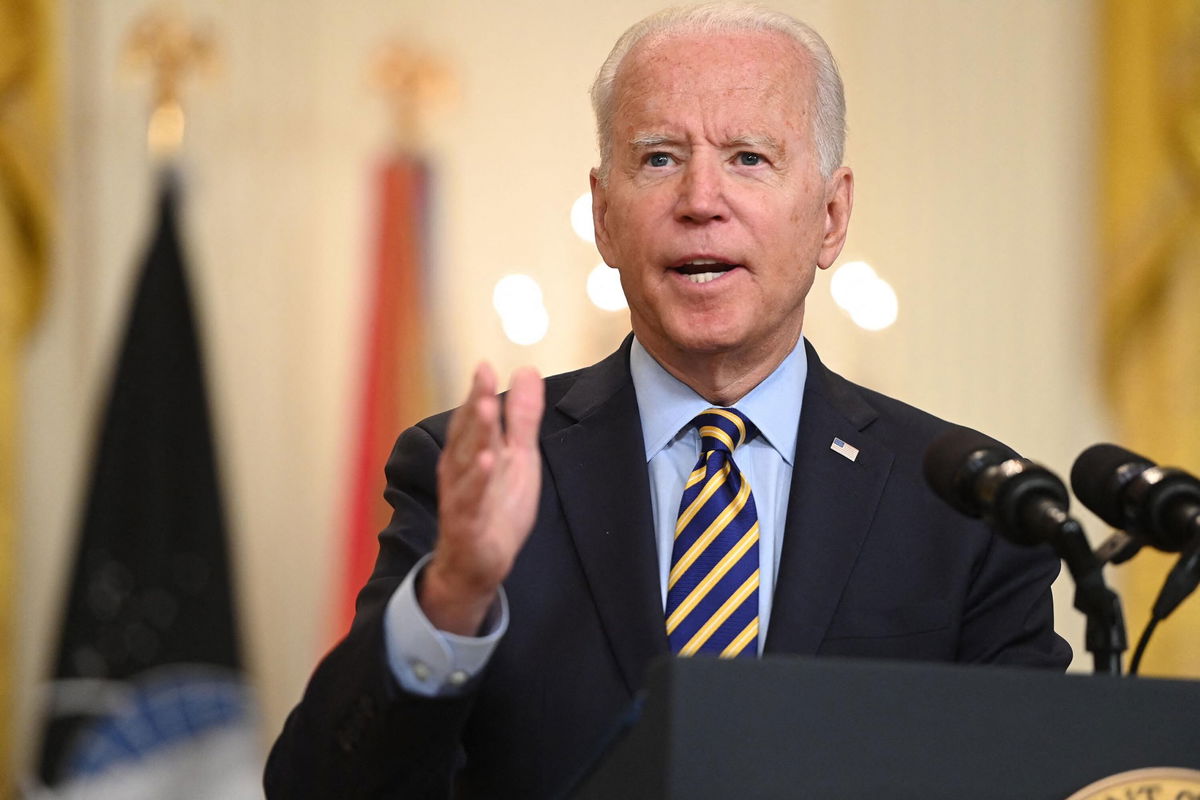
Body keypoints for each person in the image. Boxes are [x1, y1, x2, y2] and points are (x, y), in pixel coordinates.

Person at [265, 3, 1071, 797]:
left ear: (831, 215)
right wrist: (453, 596)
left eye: (750, 157)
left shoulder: (970, 506)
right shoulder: (471, 470)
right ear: (605, 216)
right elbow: (321, 789)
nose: (700, 199)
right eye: (658, 159)